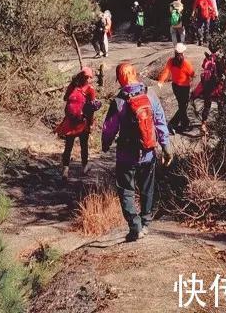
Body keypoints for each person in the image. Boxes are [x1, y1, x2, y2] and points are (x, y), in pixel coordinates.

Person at [102, 60, 171, 242]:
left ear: (119, 79)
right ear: (135, 74)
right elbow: (160, 122)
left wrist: (105, 144)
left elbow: (109, 128)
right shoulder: (150, 94)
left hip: (127, 155)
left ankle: (135, 227)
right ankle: (146, 223)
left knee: (126, 191)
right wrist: (166, 147)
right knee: (147, 188)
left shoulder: (118, 102)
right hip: (148, 152)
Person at [56, 66, 101, 178]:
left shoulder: (73, 86)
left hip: (71, 121)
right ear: (88, 77)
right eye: (89, 77)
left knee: (68, 146)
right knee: (83, 145)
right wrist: (90, 123)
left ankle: (65, 169)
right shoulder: (90, 89)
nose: (89, 79)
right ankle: (84, 166)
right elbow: (91, 108)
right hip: (82, 122)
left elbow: (65, 98)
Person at [157, 42, 196, 132]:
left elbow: (166, 72)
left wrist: (161, 81)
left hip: (175, 87)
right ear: (182, 52)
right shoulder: (186, 63)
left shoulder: (171, 61)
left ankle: (181, 123)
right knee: (183, 106)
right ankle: (177, 124)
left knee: (182, 106)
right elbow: (192, 73)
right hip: (184, 88)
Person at [192, 49, 226, 134]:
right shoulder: (223, 59)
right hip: (218, 85)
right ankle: (221, 123)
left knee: (207, 105)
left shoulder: (209, 58)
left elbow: (203, 66)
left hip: (208, 85)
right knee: (220, 104)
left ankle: (203, 124)